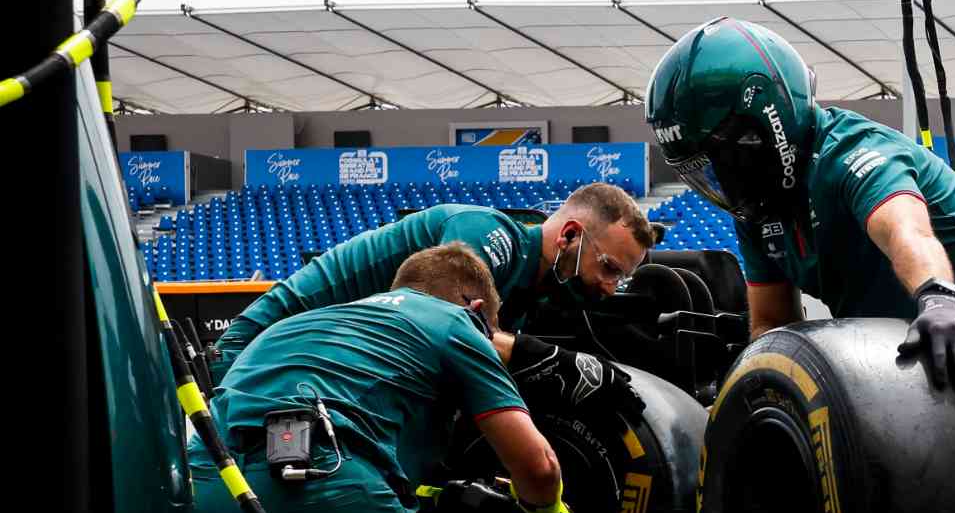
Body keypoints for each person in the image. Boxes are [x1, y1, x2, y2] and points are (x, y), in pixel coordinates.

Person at [187, 243, 573, 513]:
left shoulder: (295, 324)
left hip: (208, 492)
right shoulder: (455, 323)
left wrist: (439, 501)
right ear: (477, 308)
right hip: (326, 480)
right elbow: (538, 466)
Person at [645, 17, 955, 389]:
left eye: (731, 158)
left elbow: (905, 230)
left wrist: (938, 297)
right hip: (902, 335)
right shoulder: (756, 210)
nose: (727, 181)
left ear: (773, 122)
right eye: (707, 170)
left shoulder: (855, 153)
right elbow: (772, 325)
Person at [213, 182, 656, 418]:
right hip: (262, 354)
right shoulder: (489, 234)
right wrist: (558, 362)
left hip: (321, 367)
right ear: (571, 235)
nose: (611, 286)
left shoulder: (532, 288)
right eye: (610, 268)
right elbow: (441, 328)